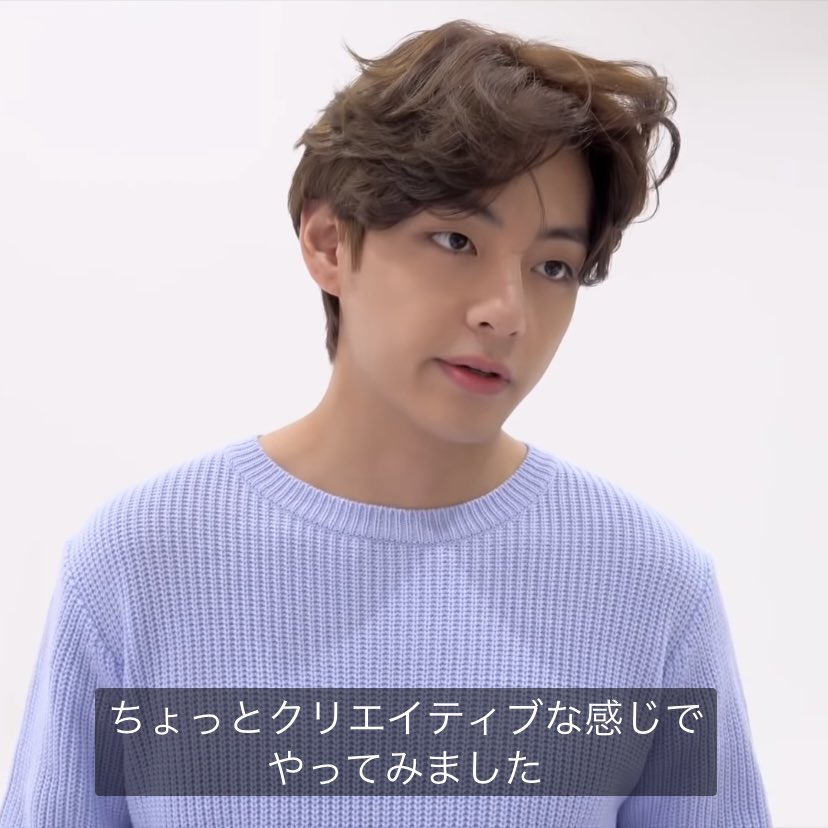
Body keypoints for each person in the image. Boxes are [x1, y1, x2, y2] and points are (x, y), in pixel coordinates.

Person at [0, 18, 771, 827]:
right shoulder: (136, 566)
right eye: (455, 239)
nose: (507, 312)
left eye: (553, 266)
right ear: (329, 242)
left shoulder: (651, 588)